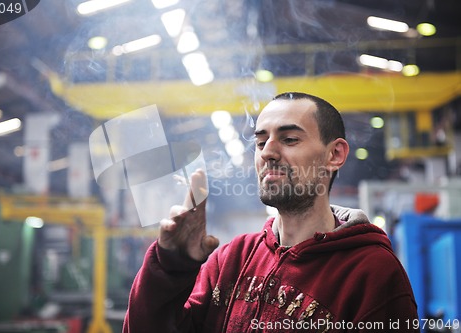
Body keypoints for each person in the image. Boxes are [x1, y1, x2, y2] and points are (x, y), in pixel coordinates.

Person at [123, 92, 419, 332]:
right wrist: (171, 265)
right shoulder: (231, 260)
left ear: (335, 154)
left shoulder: (372, 273)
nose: (267, 152)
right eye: (261, 142)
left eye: (289, 139)